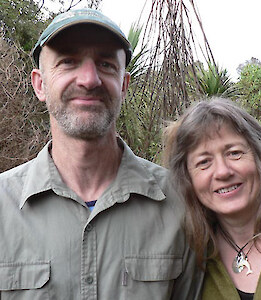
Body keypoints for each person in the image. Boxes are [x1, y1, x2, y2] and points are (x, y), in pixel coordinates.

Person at [0, 8, 203, 299]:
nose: (89, 79)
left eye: (106, 64)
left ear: (123, 85)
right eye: (68, 61)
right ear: (40, 84)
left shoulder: (181, 204)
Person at [164, 97, 261, 299]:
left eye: (234, 153)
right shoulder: (187, 252)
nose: (222, 172)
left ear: (260, 155)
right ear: (188, 179)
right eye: (204, 162)